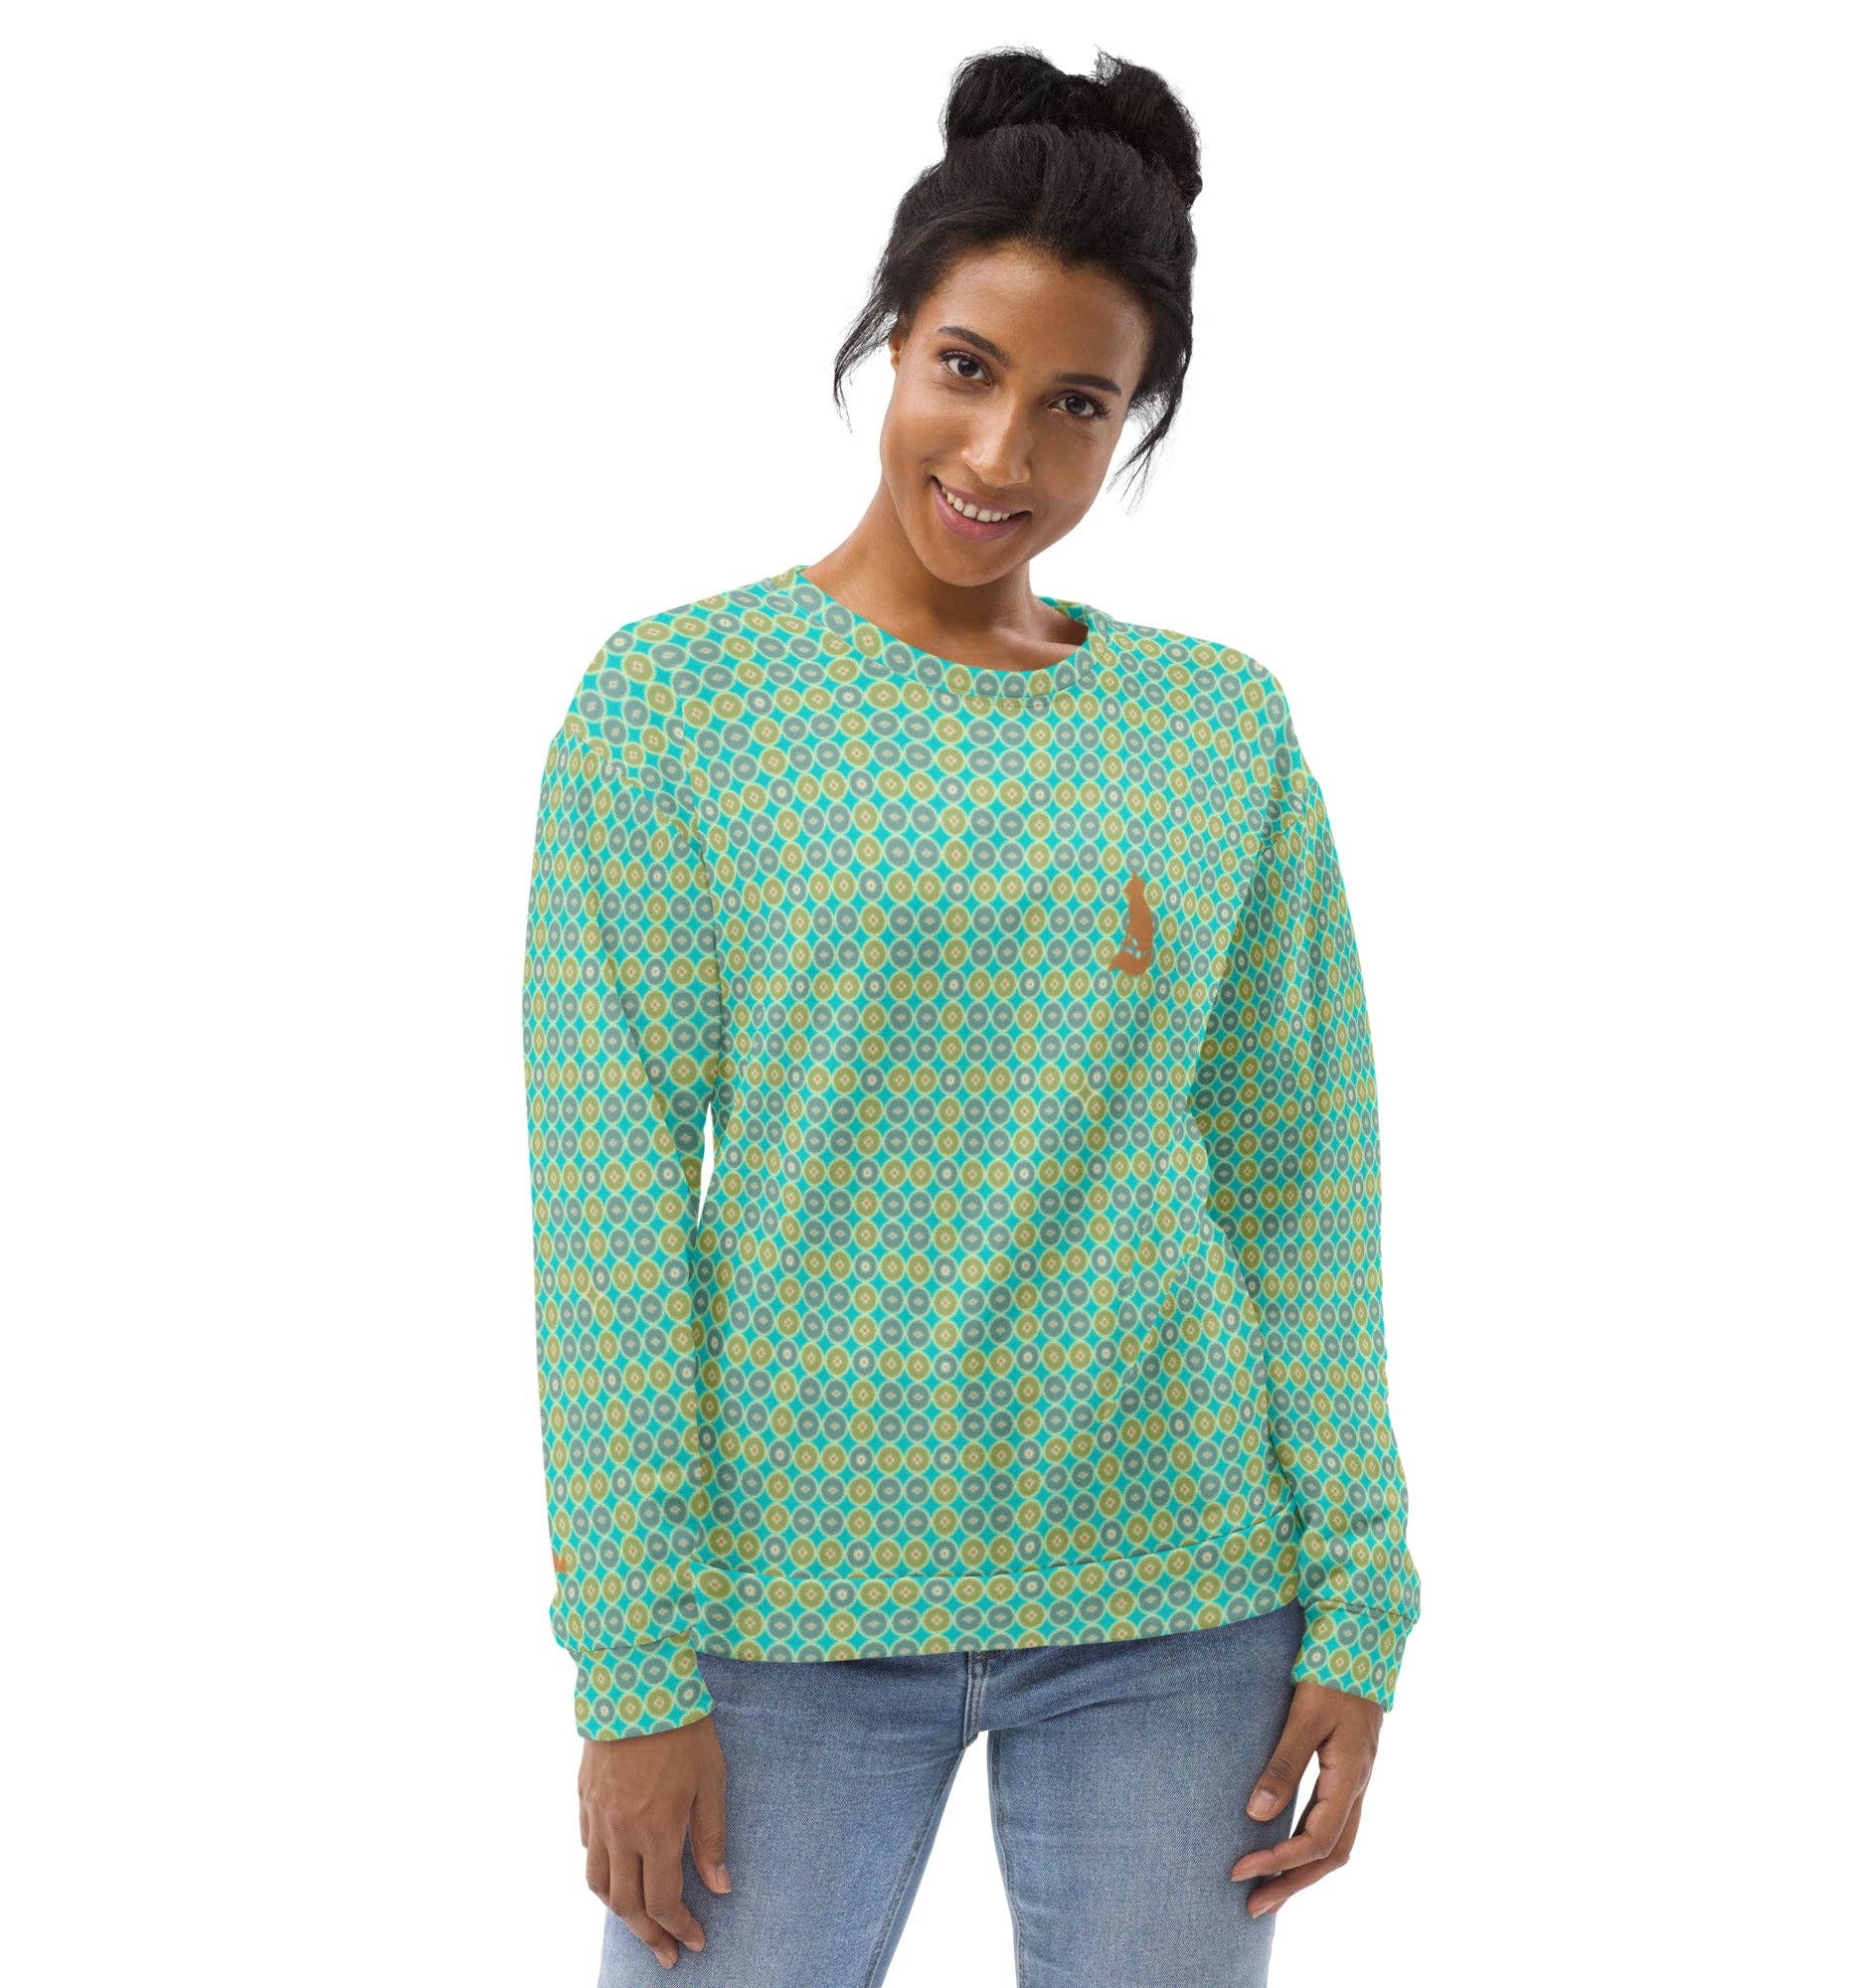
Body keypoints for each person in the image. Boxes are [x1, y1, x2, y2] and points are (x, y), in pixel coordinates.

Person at [518, 46, 1422, 1987]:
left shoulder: (1216, 732)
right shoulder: (675, 709)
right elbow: (607, 1208)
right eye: (965, 367)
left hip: (1177, 1583)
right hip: (779, 1597)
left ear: (1134, 421)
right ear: (890, 343)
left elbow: (1299, 1178)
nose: (1003, 452)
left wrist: (1361, 1596)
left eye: (1077, 403)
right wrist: (629, 1657)